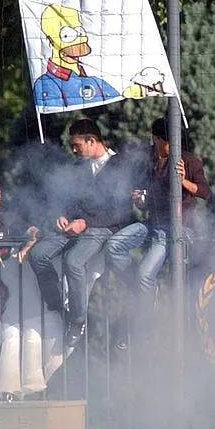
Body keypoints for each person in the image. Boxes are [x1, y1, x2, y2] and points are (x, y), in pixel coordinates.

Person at [27, 119, 138, 347]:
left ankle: (78, 321)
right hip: (76, 226)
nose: (73, 149)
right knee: (38, 255)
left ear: (92, 140)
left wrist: (85, 223)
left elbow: (122, 211)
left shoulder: (121, 166)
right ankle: (58, 309)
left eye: (76, 144)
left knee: (73, 260)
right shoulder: (79, 166)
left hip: (104, 227)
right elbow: (66, 198)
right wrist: (60, 215)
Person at [104, 118, 211, 343]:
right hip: (153, 222)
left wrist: (183, 182)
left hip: (177, 227)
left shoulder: (189, 161)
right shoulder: (150, 161)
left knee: (146, 273)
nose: (170, 147)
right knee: (114, 245)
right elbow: (146, 198)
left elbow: (204, 192)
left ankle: (145, 316)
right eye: (166, 142)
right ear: (157, 140)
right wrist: (140, 199)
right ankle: (142, 287)